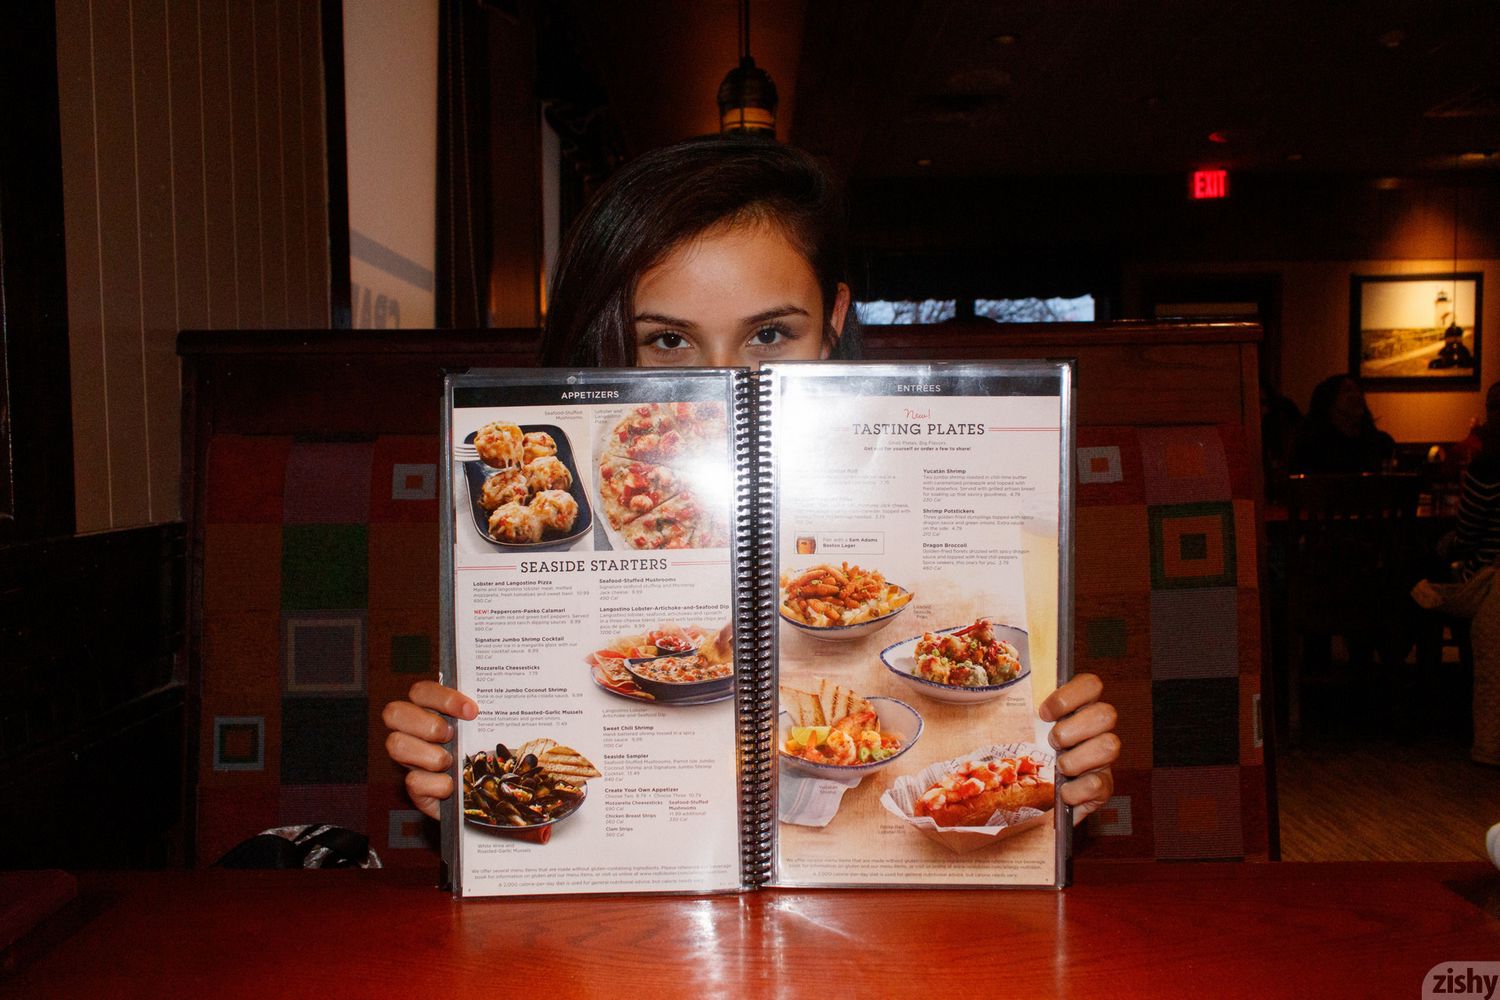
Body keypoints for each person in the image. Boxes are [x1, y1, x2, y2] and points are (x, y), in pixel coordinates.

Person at [383, 135, 1119, 821]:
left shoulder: (931, 507)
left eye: (769, 334)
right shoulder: (555, 517)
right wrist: (479, 783)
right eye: (668, 340)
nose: (724, 387)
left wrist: (1044, 775)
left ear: (832, 320)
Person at [1412, 380, 1500, 764]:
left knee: (1422, 582)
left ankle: (1427, 703)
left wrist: (1450, 543)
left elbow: (1469, 534)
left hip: (1490, 578)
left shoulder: (1488, 465)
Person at [1288, 374, 1394, 475]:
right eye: (1347, 390)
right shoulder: (1312, 445)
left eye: (1359, 390)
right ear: (1329, 400)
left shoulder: (1381, 442)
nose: (1357, 395)